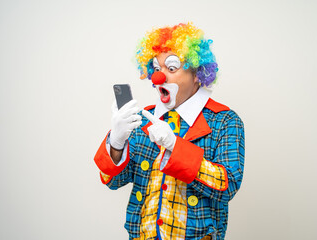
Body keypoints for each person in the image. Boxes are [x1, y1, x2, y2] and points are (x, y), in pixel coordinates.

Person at [94, 22, 245, 240]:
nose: (158, 77)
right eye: (156, 69)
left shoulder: (225, 121)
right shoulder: (142, 119)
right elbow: (113, 181)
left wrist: (174, 146)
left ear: (197, 74)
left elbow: (227, 185)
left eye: (171, 68)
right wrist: (116, 142)